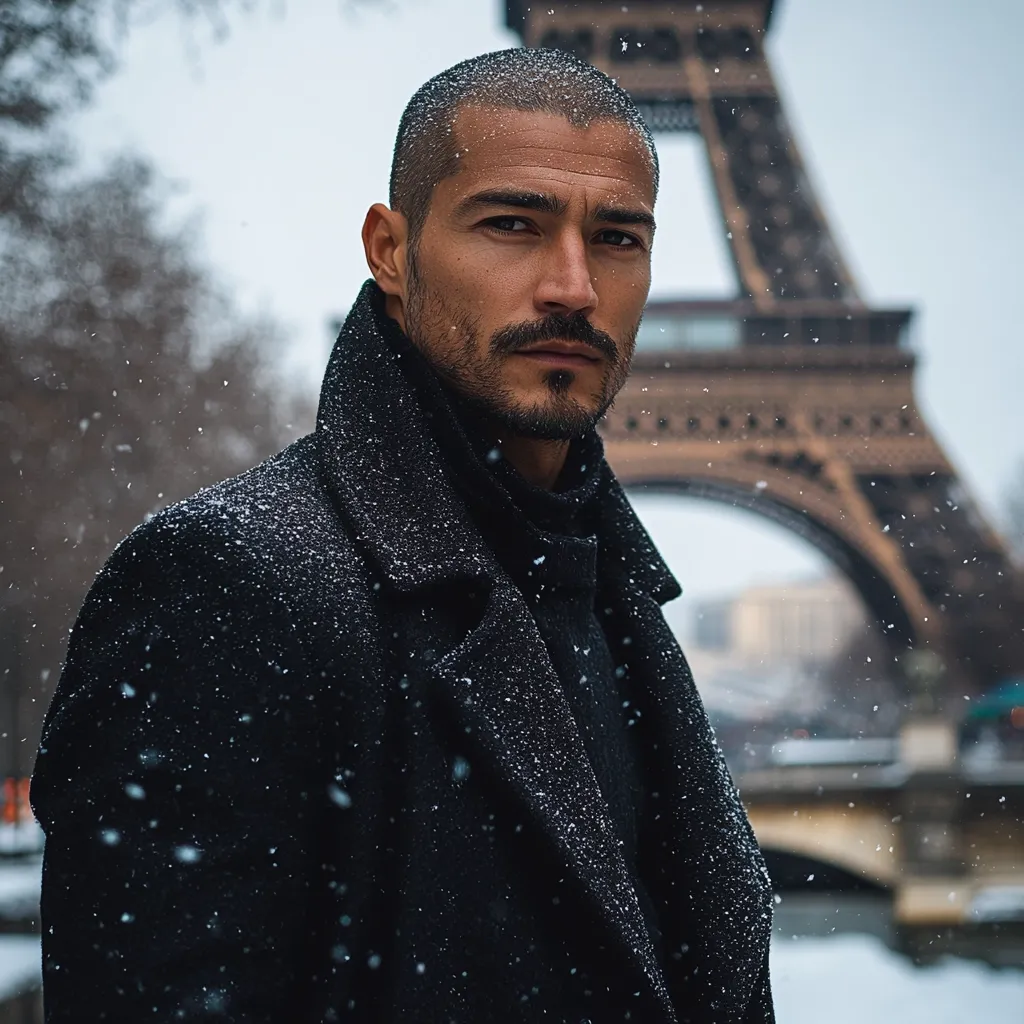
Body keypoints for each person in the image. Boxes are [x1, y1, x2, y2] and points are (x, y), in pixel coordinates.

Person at [31, 48, 774, 1024]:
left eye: (617, 238)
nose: (573, 286)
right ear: (390, 249)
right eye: (512, 224)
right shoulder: (227, 581)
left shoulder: (608, 592)